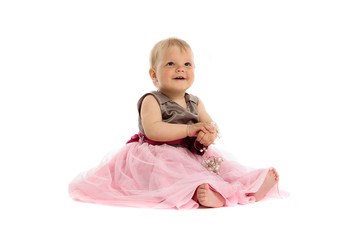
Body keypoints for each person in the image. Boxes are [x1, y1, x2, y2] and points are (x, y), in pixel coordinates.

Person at [69, 37, 286, 209]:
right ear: (154, 74)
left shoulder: (195, 101)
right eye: (171, 64)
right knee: (172, 177)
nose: (180, 69)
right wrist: (190, 129)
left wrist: (209, 133)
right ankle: (204, 195)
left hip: (193, 153)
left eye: (187, 64)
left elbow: (210, 123)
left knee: (224, 169)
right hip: (158, 156)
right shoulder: (151, 100)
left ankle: (251, 188)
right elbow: (154, 130)